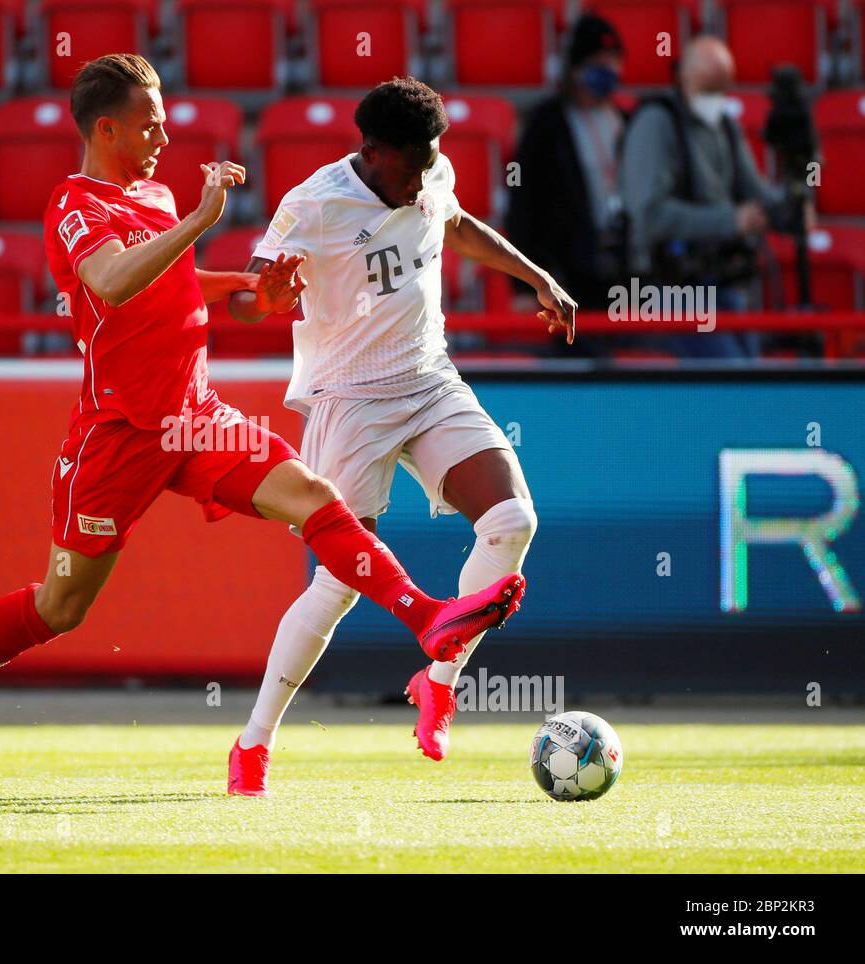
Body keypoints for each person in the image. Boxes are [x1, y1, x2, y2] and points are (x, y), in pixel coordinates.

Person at [0, 55, 526, 774]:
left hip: (195, 419)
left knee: (314, 498)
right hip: (117, 436)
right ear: (106, 129)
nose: (164, 137)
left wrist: (260, 291)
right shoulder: (75, 205)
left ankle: (427, 616)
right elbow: (113, 281)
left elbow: (175, 285)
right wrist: (199, 219)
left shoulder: (154, 196)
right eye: (149, 126)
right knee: (61, 606)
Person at [227, 77, 577, 795]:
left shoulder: (431, 172)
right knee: (337, 586)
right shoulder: (315, 203)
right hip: (348, 398)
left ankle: (439, 683)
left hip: (427, 379)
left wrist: (536, 275)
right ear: (374, 151)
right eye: (413, 162)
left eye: (432, 157)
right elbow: (246, 295)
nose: (425, 174)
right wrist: (266, 297)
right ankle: (253, 742)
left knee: (513, 521)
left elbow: (453, 223)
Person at [620, 35, 785, 358]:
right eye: (709, 89)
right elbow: (649, 216)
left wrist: (788, 205)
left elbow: (755, 189)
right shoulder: (655, 122)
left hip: (722, 282)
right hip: (667, 292)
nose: (715, 99)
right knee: (734, 383)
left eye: (721, 89)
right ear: (683, 76)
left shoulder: (724, 123)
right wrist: (730, 220)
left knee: (758, 379)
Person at [506, 14, 627, 324]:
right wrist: (523, 284)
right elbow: (522, 204)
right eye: (599, 61)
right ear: (575, 68)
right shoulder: (545, 124)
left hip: (625, 268)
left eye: (614, 60)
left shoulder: (627, 119)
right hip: (567, 271)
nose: (609, 69)